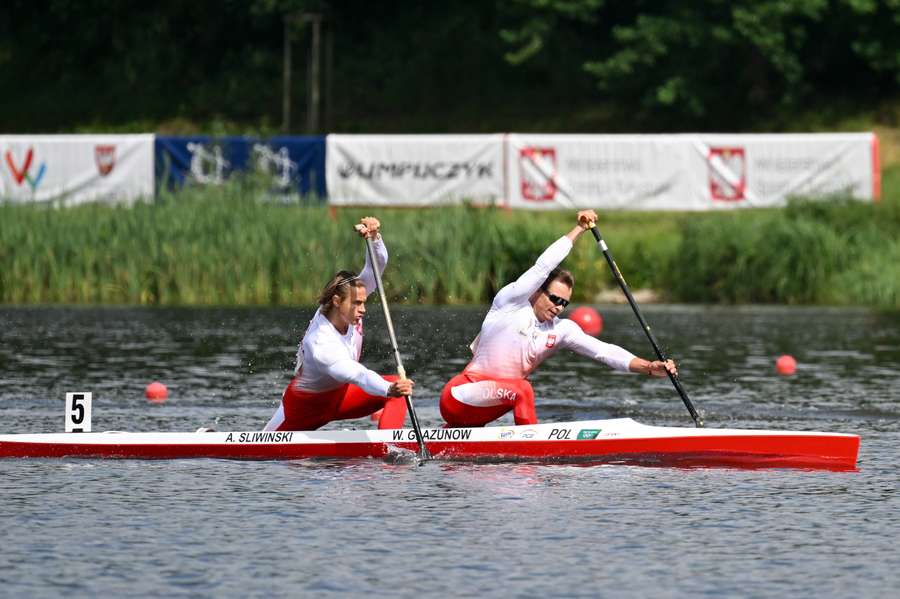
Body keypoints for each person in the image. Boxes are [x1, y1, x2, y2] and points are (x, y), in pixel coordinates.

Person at [439, 210, 676, 428]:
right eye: (554, 299)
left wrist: (648, 367)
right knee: (523, 390)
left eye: (565, 303)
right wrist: (580, 229)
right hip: (460, 396)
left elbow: (604, 351)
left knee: (520, 392)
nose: (558, 307)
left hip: (485, 411)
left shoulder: (562, 330)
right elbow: (544, 266)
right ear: (536, 291)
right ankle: (533, 457)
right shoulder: (510, 303)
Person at [264, 217, 414, 431]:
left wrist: (374, 238)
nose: (363, 309)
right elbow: (358, 375)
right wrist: (389, 388)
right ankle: (207, 436)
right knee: (391, 387)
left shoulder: (349, 305)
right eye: (357, 304)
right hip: (305, 408)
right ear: (337, 301)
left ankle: (388, 452)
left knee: (401, 386)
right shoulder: (320, 342)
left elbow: (376, 268)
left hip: (341, 398)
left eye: (363, 302)